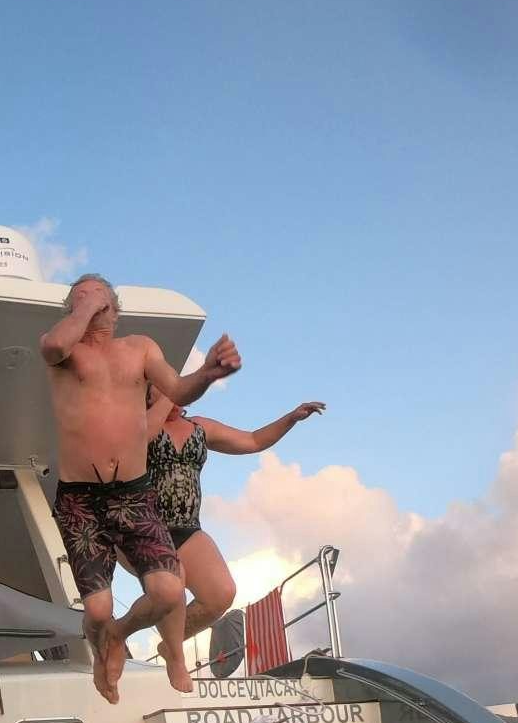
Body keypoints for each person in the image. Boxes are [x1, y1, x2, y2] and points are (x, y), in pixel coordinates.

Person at [39, 273, 242, 699]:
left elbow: (180, 388)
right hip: (80, 499)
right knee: (96, 606)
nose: (91, 300)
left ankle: (128, 637)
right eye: (80, 297)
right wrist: (82, 309)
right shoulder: (64, 352)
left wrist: (207, 372)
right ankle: (101, 647)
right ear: (72, 309)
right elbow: (54, 345)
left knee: (168, 589)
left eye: (99, 297)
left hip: (132, 493)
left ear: (115, 308)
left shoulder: (140, 348)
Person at [115, 396, 326, 663]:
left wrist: (291, 418)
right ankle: (117, 632)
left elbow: (253, 440)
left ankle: (170, 645)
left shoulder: (200, 427)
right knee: (172, 585)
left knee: (220, 594)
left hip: (187, 527)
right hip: (142, 527)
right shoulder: (138, 428)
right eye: (162, 392)